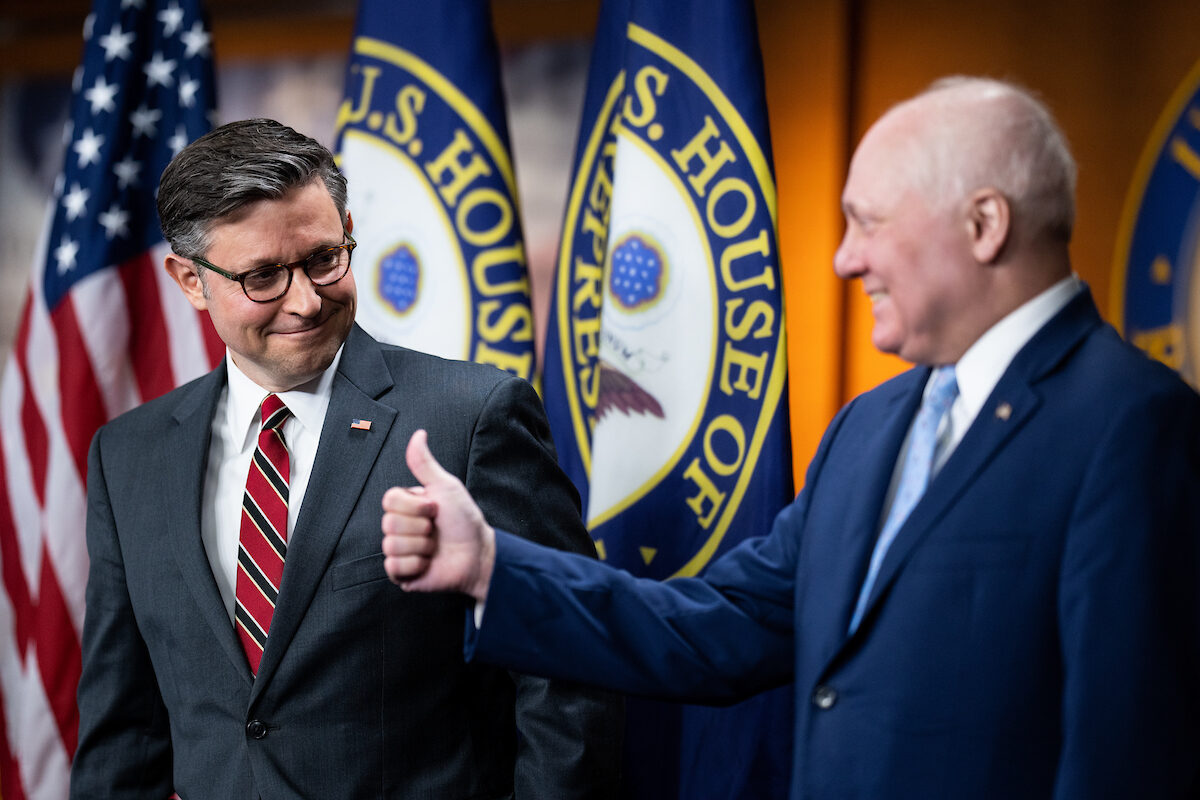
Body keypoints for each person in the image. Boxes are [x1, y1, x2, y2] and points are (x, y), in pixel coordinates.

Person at [381, 77, 1200, 798]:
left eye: (866, 222)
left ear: (985, 224)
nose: (845, 260)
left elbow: (1128, 750)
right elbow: (718, 625)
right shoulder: (869, 426)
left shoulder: (1133, 423)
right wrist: (495, 567)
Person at [71, 119, 621, 799]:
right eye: (263, 277)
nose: (305, 301)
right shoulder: (129, 456)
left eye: (324, 259)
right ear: (190, 279)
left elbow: (567, 678)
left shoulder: (472, 417)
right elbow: (123, 733)